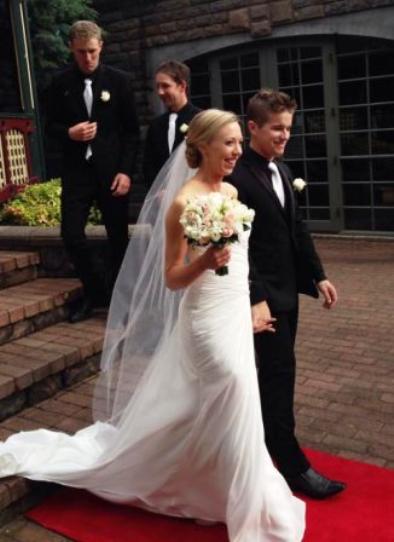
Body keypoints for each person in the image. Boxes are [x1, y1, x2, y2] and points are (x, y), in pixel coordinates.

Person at [0, 110, 305, 542]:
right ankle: (246, 501)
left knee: (222, 404)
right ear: (203, 146)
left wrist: (253, 306)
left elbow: (241, 261)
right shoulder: (182, 201)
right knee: (236, 388)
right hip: (204, 320)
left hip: (234, 311)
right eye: (229, 143)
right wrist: (203, 261)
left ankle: (210, 492)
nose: (238, 151)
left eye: (239, 142)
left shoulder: (234, 191)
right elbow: (171, 277)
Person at [229, 89, 346, 499]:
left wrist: (318, 276)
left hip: (288, 295)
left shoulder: (284, 169)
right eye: (277, 129)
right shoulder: (235, 177)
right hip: (259, 300)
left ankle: (256, 447)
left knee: (271, 377)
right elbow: (235, 248)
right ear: (253, 127)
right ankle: (293, 467)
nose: (284, 136)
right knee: (279, 376)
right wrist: (255, 298)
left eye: (288, 129)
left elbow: (297, 229)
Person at [46, 20, 140, 323]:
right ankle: (95, 291)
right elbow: (49, 128)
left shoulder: (119, 81)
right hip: (77, 172)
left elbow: (131, 133)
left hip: (112, 172)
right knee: (71, 234)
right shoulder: (59, 83)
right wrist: (69, 133)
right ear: (72, 50)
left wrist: (126, 172)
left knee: (117, 239)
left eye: (92, 52)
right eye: (81, 53)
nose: (87, 58)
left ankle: (121, 301)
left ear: (101, 48)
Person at [143, 60, 200, 189]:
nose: (160, 92)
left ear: (182, 86)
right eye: (157, 86)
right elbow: (148, 166)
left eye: (165, 86)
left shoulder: (199, 119)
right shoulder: (155, 125)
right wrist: (158, 192)